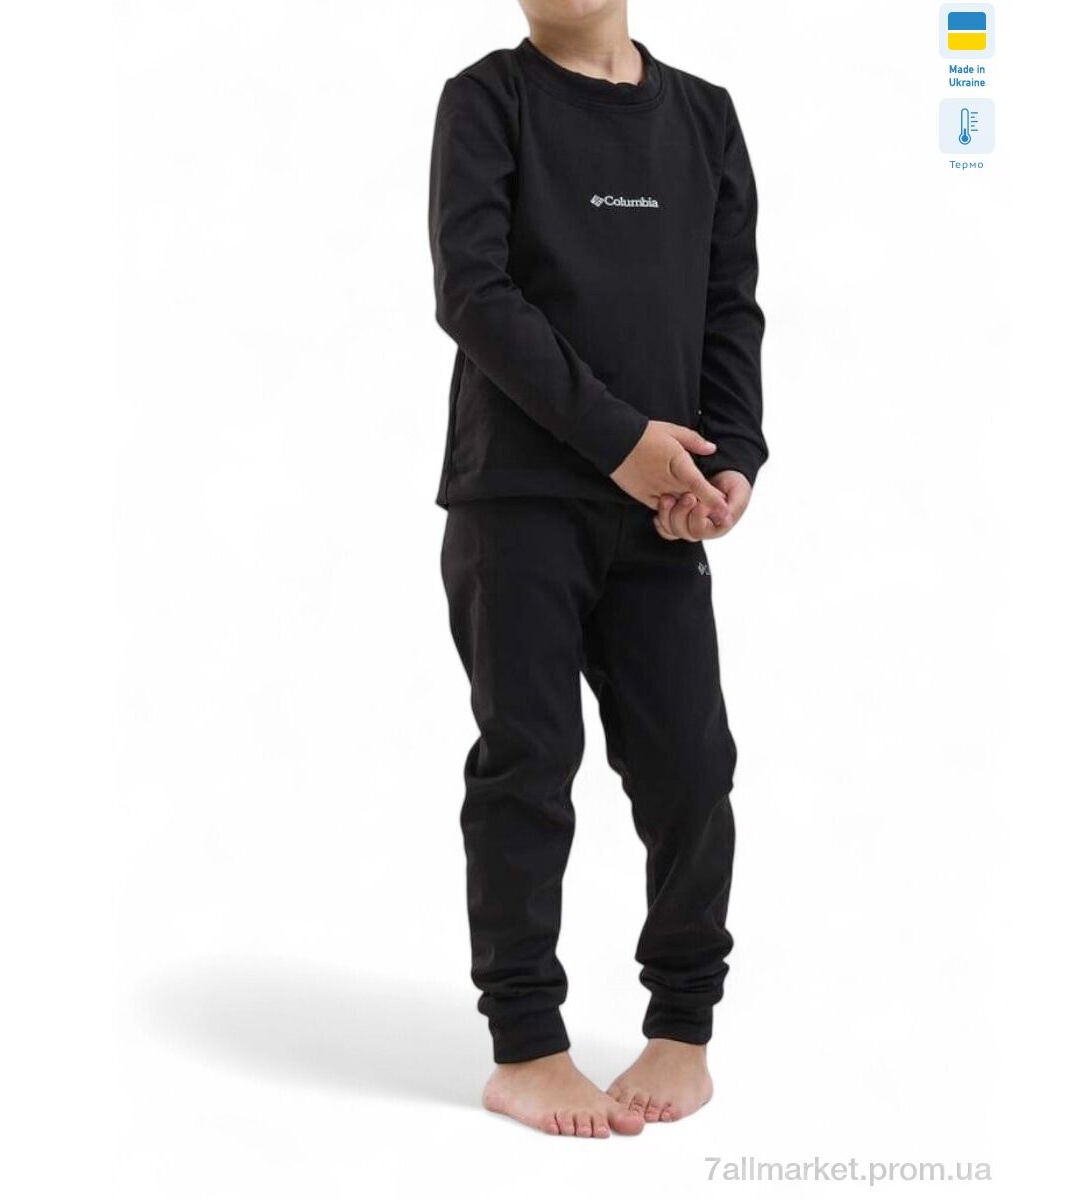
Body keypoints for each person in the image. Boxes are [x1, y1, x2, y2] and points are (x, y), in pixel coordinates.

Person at [429, 0, 766, 1137]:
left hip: (663, 512)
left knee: (692, 768)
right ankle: (526, 1047)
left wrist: (732, 457)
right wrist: (621, 441)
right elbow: (473, 293)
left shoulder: (704, 119)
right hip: (517, 500)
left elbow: (729, 303)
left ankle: (682, 1024)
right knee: (528, 767)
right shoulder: (488, 100)